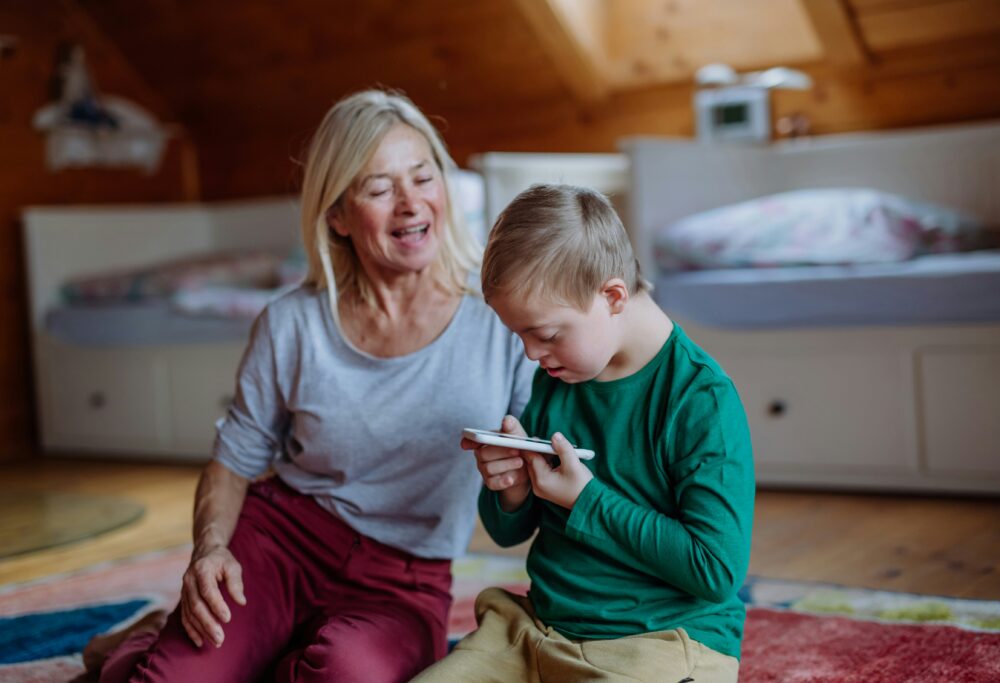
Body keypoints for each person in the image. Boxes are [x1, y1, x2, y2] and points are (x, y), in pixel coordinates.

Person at [85, 90, 535, 683]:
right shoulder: (290, 324)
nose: (410, 203)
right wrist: (212, 550)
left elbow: (537, 475)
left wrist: (515, 483)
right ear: (337, 215)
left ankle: (170, 646)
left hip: (403, 580)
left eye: (423, 177)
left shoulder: (501, 319)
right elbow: (231, 462)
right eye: (378, 188)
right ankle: (153, 648)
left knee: (344, 676)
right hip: (281, 546)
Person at [413, 184, 755, 683]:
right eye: (520, 335)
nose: (531, 354)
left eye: (546, 334)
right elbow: (512, 532)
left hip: (661, 640)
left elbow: (716, 570)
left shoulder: (701, 400)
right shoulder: (556, 378)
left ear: (612, 296)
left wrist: (587, 499)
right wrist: (511, 490)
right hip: (538, 631)